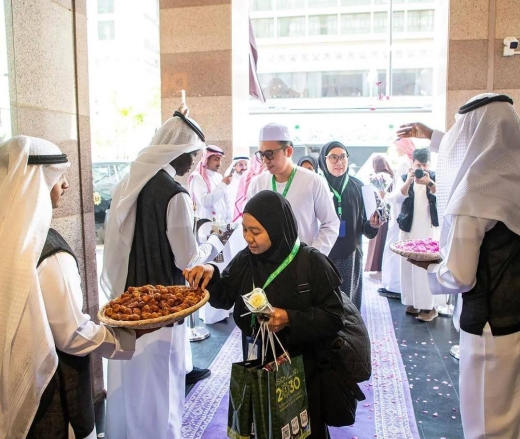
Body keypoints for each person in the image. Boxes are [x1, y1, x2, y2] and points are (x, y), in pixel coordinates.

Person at [401, 94, 520, 438]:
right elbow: (472, 145)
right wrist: (433, 135)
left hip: (498, 323)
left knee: (490, 421)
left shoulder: (474, 190)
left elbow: (460, 275)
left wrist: (430, 272)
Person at [0, 136, 150, 439]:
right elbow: (72, 335)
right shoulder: (48, 249)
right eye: (59, 175)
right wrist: (125, 338)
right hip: (49, 394)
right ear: (35, 181)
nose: (66, 185)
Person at [101, 112, 224, 439]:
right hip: (161, 309)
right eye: (195, 154)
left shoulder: (131, 182)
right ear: (179, 152)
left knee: (130, 382)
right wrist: (213, 242)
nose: (196, 162)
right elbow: (188, 260)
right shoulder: (175, 194)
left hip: (126, 303)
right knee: (160, 389)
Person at [183, 190, 345, 439]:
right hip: (258, 362)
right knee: (263, 425)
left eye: (256, 231)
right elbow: (225, 295)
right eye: (245, 229)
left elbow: (334, 317)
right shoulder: (246, 260)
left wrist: (290, 318)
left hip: (302, 369)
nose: (248, 238)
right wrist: (211, 274)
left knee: (302, 429)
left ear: (277, 227)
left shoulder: (311, 263)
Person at [247, 123, 339, 255]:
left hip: (303, 265)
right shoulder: (257, 183)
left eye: (270, 154)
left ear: (288, 151)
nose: (265, 160)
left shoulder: (312, 181)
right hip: (266, 263)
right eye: (261, 154)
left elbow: (330, 224)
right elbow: (249, 224)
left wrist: (313, 256)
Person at [317, 141, 380, 309]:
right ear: (324, 160)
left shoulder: (358, 186)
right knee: (323, 300)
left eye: (343, 157)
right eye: (333, 158)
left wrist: (373, 225)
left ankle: (349, 334)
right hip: (322, 253)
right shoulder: (317, 186)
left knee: (348, 301)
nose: (339, 162)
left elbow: (366, 227)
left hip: (350, 254)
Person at [396, 148, 444, 322]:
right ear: (412, 164)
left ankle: (430, 307)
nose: (421, 168)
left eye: (424, 165)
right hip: (409, 229)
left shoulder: (435, 178)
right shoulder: (405, 178)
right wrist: (409, 181)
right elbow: (397, 198)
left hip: (429, 231)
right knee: (409, 267)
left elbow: (443, 196)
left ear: (429, 165)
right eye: (418, 165)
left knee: (428, 268)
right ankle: (414, 302)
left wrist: (429, 182)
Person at [379, 138, 415, 298]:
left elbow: (401, 192)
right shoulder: (409, 162)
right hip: (402, 211)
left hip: (399, 211)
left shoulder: (404, 164)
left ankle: (394, 286)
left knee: (394, 247)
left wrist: (385, 196)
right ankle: (393, 285)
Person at [189, 144, 232, 228]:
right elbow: (205, 202)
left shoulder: (218, 177)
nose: (219, 163)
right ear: (207, 159)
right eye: (216, 159)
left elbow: (225, 200)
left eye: (220, 160)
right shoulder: (198, 177)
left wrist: (228, 221)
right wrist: (223, 184)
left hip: (222, 225)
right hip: (207, 226)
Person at [365, 155, 394, 272]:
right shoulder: (392, 177)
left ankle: (376, 265)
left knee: (378, 239)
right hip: (390, 213)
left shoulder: (379, 177)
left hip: (379, 213)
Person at [232, 155, 266, 222]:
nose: (244, 167)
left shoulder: (251, 179)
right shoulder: (228, 182)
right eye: (240, 165)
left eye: (245, 164)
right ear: (234, 166)